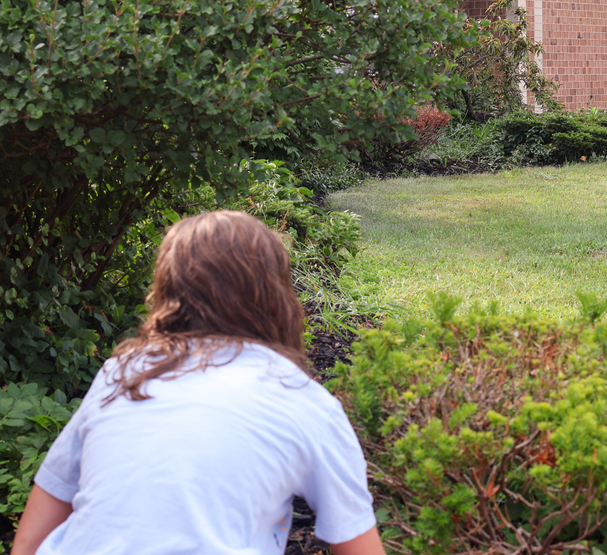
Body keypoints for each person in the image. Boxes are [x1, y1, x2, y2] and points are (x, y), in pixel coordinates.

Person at [12, 211, 384, 555]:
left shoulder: (125, 372)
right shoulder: (302, 401)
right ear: (277, 296)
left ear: (167, 291)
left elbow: (35, 531)